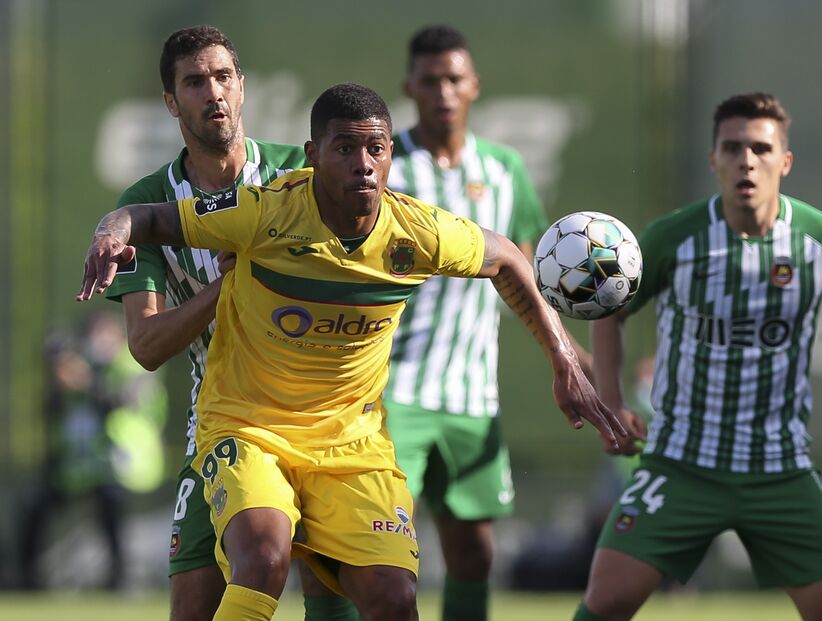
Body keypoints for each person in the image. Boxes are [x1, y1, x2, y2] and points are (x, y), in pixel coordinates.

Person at [77, 82, 626, 621]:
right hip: (250, 431)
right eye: (345, 149)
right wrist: (111, 229)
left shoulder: (416, 232)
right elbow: (150, 218)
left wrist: (562, 359)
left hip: (351, 445)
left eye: (376, 149)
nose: (364, 164)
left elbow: (506, 257)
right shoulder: (264, 211)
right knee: (263, 560)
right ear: (313, 156)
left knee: (392, 597)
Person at [575, 92, 822, 621]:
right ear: (714, 159)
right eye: (732, 148)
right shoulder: (674, 238)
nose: (747, 160)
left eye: (761, 148)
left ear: (784, 161)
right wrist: (612, 401)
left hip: (779, 465)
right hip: (682, 462)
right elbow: (612, 312)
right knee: (606, 600)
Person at [375, 24, 591, 621]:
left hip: (473, 394)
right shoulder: (387, 169)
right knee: (380, 552)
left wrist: (568, 355)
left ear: (474, 85)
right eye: (430, 80)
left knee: (474, 553)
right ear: (409, 88)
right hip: (395, 391)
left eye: (453, 78)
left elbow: (528, 273)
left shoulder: (503, 169)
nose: (443, 91)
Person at [101, 25, 307, 621]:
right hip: (217, 425)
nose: (212, 92)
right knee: (192, 607)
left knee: (346, 592)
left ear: (242, 88)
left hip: (319, 417)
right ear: (171, 103)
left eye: (222, 77)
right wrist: (226, 289)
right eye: (194, 82)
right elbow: (145, 344)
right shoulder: (146, 205)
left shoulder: (299, 174)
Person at [18, 311, 167, 590]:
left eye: (105, 334)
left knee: (110, 505)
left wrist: (86, 383)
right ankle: (27, 580)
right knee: (33, 504)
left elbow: (120, 402)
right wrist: (58, 379)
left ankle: (121, 580)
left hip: (128, 467)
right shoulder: (84, 367)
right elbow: (51, 412)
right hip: (84, 469)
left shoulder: (136, 364)